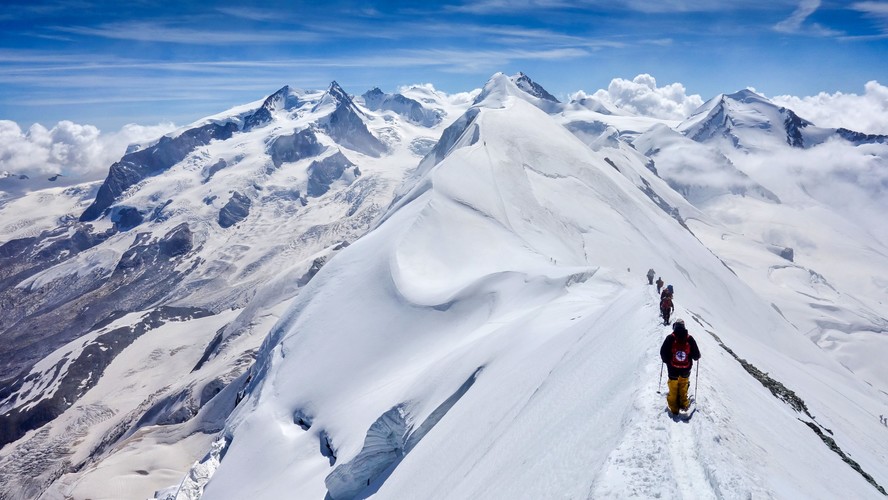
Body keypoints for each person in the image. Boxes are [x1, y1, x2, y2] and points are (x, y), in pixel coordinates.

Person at [660, 319, 701, 415]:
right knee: (683, 386)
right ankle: (684, 404)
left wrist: (668, 362)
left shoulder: (670, 338)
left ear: (674, 327)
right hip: (686, 369)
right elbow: (696, 355)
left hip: (672, 369)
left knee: (673, 388)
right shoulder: (689, 339)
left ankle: (674, 409)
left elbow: (663, 353)